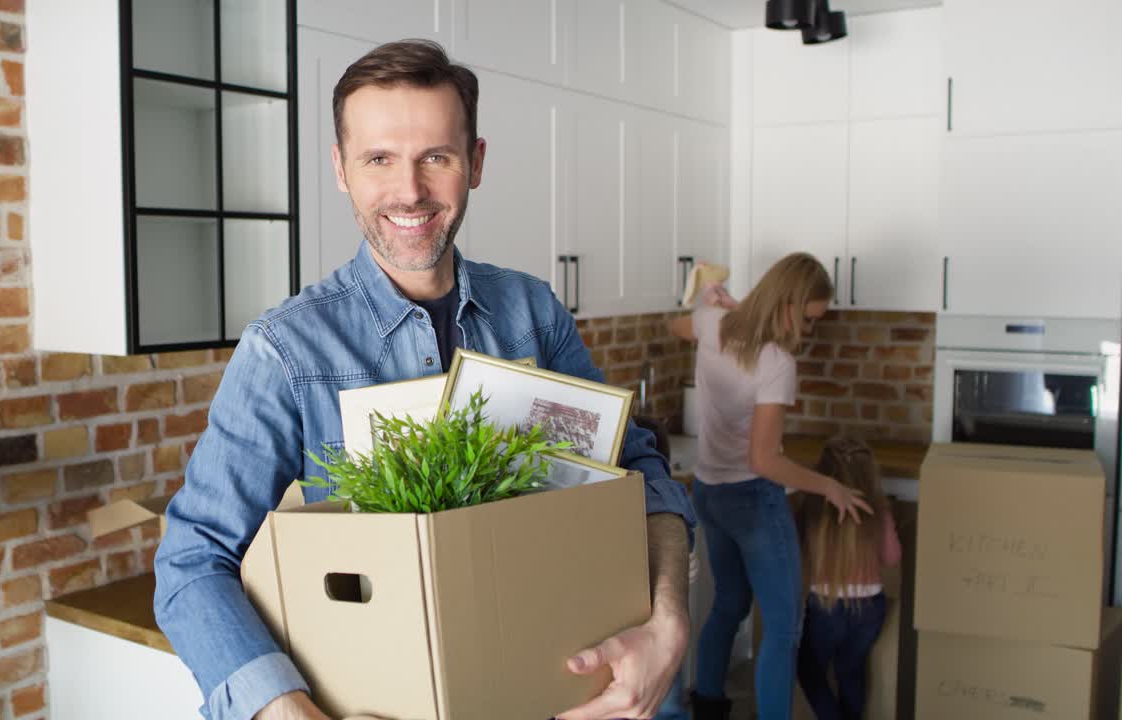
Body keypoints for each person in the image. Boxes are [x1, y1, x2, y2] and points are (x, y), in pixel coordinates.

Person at [153, 39, 696, 720]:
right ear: (341, 169)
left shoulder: (533, 315)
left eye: (434, 157)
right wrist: (289, 712)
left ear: (474, 163)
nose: (409, 191)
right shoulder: (287, 350)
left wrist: (669, 624)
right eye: (379, 158)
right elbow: (192, 564)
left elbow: (639, 472)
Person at [669, 254, 871, 720]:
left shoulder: (714, 324)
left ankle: (710, 707)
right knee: (783, 627)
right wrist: (830, 487)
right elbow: (764, 460)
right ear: (788, 304)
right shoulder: (776, 362)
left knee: (728, 604)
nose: (810, 329)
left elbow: (680, 327)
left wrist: (711, 303)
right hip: (752, 498)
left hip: (708, 491)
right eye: (808, 317)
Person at [792, 437, 901, 720]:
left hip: (826, 605)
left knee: (809, 669)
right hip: (870, 606)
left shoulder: (811, 508)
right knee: (851, 669)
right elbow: (892, 558)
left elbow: (796, 551)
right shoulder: (880, 512)